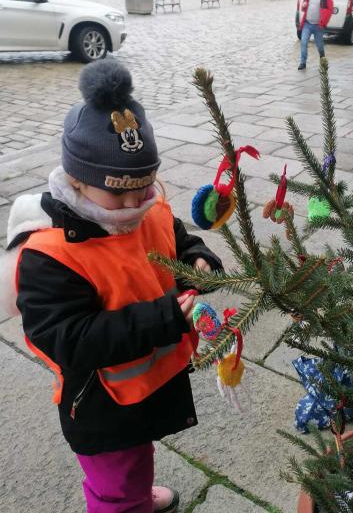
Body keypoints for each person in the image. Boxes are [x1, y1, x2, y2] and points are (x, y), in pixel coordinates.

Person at [6, 59, 223, 513]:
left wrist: (197, 261)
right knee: (116, 479)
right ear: (77, 181)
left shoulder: (148, 208)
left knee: (136, 457)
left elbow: (177, 240)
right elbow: (68, 338)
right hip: (101, 403)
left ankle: (136, 493)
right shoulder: (49, 254)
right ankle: (126, 503)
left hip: (147, 386)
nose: (133, 203)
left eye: (142, 188)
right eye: (119, 192)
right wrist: (165, 317)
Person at [297, 0, 334, 70]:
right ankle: (303, 63)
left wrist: (324, 22)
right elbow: (303, 7)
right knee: (303, 42)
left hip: (318, 25)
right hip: (307, 23)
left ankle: (322, 59)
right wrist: (303, 5)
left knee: (320, 45)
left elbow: (330, 9)